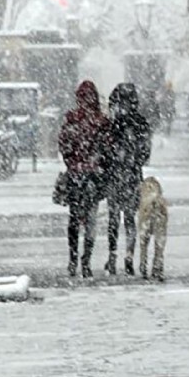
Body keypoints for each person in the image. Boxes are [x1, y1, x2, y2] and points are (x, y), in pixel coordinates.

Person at [58, 80, 111, 279]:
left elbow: (64, 146)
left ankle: (73, 259)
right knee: (90, 219)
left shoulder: (72, 120)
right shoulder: (101, 122)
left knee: (74, 218)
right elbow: (108, 149)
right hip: (93, 178)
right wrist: (97, 164)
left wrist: (73, 164)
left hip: (76, 176)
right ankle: (85, 260)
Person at [104, 83, 152, 276]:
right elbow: (145, 152)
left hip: (115, 176)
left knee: (114, 218)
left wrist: (112, 162)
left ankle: (113, 256)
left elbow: (105, 151)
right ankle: (129, 256)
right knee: (130, 218)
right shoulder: (140, 123)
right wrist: (134, 162)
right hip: (132, 176)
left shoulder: (112, 125)